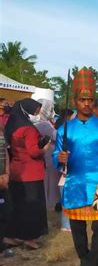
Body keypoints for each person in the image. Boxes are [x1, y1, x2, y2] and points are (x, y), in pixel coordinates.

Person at [52, 68, 98, 266]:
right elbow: (56, 155)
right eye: (82, 99)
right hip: (75, 184)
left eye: (90, 99)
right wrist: (60, 157)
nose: (87, 103)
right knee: (78, 230)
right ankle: (84, 260)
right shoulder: (65, 129)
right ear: (75, 101)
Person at [4, 98, 49, 250]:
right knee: (32, 207)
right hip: (31, 172)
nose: (36, 113)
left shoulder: (12, 125)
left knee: (16, 205)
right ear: (27, 110)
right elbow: (34, 152)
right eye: (35, 110)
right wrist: (45, 148)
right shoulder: (28, 129)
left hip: (16, 169)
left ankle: (10, 235)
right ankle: (29, 238)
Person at [34, 99, 61, 210]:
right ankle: (50, 203)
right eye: (50, 108)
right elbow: (56, 136)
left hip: (49, 151)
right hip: (49, 151)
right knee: (50, 179)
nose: (52, 111)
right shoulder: (44, 123)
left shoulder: (44, 122)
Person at [0, 123, 14, 258]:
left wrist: (6, 173)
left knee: (5, 212)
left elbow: (5, 152)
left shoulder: (1, 129)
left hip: (3, 179)